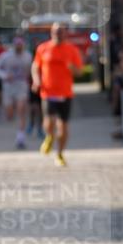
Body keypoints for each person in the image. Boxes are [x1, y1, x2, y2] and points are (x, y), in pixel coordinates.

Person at [32, 22, 83, 167]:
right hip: (48, 92)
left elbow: (79, 72)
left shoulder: (72, 50)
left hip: (65, 93)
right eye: (55, 31)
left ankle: (60, 154)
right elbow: (35, 66)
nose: (58, 34)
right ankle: (49, 136)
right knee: (49, 123)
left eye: (61, 31)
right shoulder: (43, 48)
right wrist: (36, 80)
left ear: (66, 33)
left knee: (63, 127)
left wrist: (72, 67)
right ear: (51, 33)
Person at [0, 36, 32, 148]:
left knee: (21, 110)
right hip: (8, 87)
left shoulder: (28, 56)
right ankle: (9, 113)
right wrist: (5, 76)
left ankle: (20, 137)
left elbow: (31, 70)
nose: (19, 47)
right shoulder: (6, 56)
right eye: (17, 46)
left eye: (21, 45)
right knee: (9, 115)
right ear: (14, 46)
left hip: (21, 86)